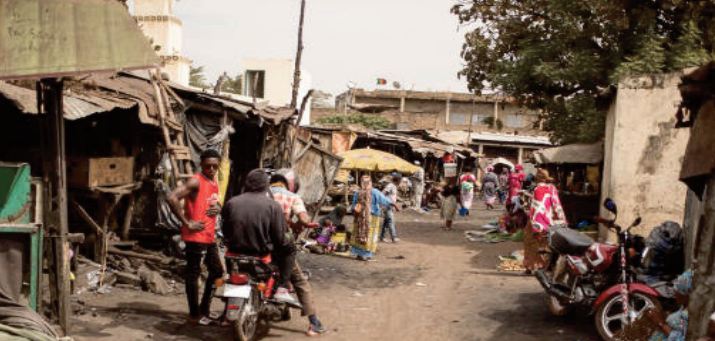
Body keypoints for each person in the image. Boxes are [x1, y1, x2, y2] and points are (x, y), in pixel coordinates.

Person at [220, 169, 297, 306]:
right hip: (259, 255)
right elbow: (279, 238)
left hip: (233, 253)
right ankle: (283, 287)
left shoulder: (232, 202)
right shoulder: (273, 206)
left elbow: (225, 230)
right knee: (290, 249)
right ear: (266, 186)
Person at [168, 149, 225, 325]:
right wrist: (187, 223)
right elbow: (171, 197)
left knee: (217, 272)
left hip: (208, 236)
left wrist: (219, 207)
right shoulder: (195, 180)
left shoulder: (213, 181)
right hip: (196, 236)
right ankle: (194, 314)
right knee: (194, 273)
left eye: (215, 166)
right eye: (208, 166)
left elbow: (212, 202)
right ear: (201, 164)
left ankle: (204, 310)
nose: (212, 169)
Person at [268, 169, 326, 336]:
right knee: (300, 281)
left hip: (255, 242)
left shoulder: (261, 194)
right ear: (290, 184)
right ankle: (314, 323)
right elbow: (303, 218)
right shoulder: (291, 197)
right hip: (280, 246)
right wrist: (309, 223)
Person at [524, 168, 566, 272]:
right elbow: (557, 205)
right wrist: (562, 220)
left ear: (537, 178)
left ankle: (530, 267)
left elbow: (535, 208)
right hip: (548, 221)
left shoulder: (537, 189)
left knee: (530, 244)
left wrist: (534, 224)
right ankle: (545, 266)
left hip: (535, 222)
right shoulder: (552, 188)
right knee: (545, 244)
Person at [351, 175, 398, 260]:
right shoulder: (375, 192)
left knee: (360, 233)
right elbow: (384, 200)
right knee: (369, 235)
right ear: (370, 182)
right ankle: (366, 254)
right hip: (372, 218)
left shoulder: (358, 192)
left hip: (359, 218)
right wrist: (394, 204)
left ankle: (359, 254)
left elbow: (353, 206)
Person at [645, 269, 693, 341]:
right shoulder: (684, 308)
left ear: (686, 295)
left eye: (677, 291)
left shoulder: (692, 316)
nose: (674, 294)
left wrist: (660, 323)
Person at [380, 173, 401, 243]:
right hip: (387, 206)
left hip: (390, 206)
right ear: (398, 180)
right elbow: (383, 193)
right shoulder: (391, 185)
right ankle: (394, 237)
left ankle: (382, 237)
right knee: (391, 221)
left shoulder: (394, 186)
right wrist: (391, 203)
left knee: (386, 222)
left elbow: (391, 196)